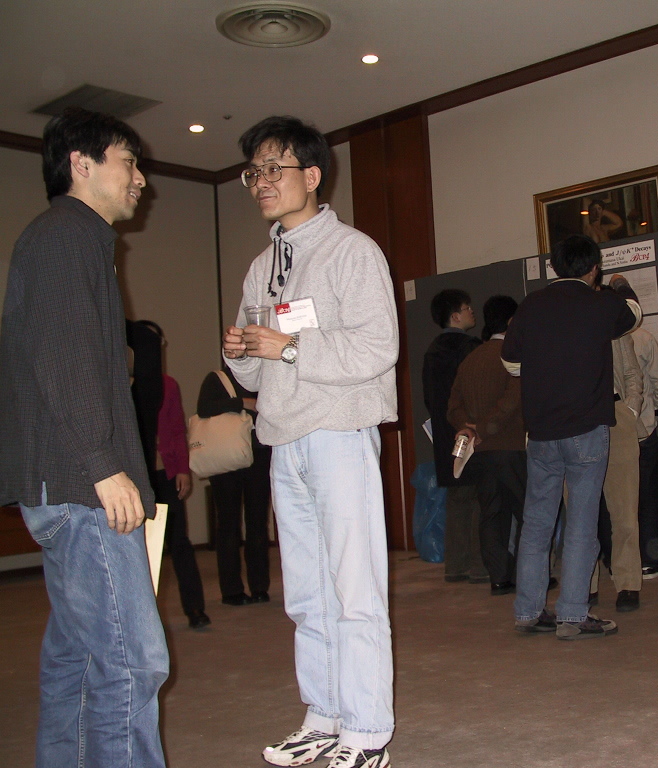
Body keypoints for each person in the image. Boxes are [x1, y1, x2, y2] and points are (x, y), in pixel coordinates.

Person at [222, 115, 398, 768]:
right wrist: (240, 352)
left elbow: (379, 347)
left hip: (339, 434)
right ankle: (323, 717)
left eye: (276, 168)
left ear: (313, 175)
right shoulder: (261, 266)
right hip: (283, 438)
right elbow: (252, 372)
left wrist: (290, 346)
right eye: (254, 172)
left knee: (355, 591)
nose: (261, 183)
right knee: (305, 594)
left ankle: (367, 734)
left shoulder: (353, 251)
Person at [0, 108, 169, 767]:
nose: (141, 179)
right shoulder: (67, 235)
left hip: (63, 484)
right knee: (132, 661)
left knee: (77, 656)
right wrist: (103, 464)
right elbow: (63, 357)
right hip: (80, 486)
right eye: (129, 162)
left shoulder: (66, 237)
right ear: (81, 164)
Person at [501, 234, 641, 639]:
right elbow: (634, 313)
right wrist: (619, 285)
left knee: (537, 522)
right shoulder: (600, 303)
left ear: (554, 266)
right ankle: (573, 615)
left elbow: (510, 363)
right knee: (582, 521)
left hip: (541, 433)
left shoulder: (531, 305)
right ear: (594, 268)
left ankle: (529, 610)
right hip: (586, 429)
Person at [130, 320, 209, 630]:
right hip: (133, 478)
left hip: (165, 474)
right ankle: (140, 619)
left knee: (179, 542)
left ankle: (195, 609)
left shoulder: (168, 385)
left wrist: (182, 469)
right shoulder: (119, 384)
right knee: (136, 548)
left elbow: (176, 429)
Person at [448, 295, 527, 595]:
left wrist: (467, 428)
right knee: (527, 513)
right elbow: (512, 400)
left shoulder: (471, 359)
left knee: (491, 513)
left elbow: (452, 406)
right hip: (510, 446)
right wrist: (483, 429)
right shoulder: (513, 356)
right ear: (511, 321)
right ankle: (528, 575)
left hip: (478, 452)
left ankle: (499, 577)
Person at [423, 288, 487, 584]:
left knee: (457, 497)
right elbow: (478, 391)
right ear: (455, 316)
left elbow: (429, 398)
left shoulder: (432, 351)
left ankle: (455, 565)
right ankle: (479, 566)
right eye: (467, 307)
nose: (472, 311)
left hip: (444, 433)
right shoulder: (471, 347)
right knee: (479, 497)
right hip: (471, 429)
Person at [197, 366, 272, 606]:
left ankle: (259, 587)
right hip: (226, 460)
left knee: (258, 524)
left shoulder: (263, 375)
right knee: (228, 525)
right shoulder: (217, 378)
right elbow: (203, 409)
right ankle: (231, 591)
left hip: (259, 456)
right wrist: (242, 403)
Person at [590, 330, 644, 612]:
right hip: (573, 420)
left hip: (615, 415)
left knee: (625, 511)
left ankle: (628, 584)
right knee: (580, 514)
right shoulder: (557, 326)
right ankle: (584, 584)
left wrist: (630, 410)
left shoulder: (613, 327)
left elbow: (632, 372)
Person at [630, 325, 658, 580]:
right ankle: (648, 561)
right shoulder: (643, 338)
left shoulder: (593, 333)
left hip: (609, 432)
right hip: (643, 429)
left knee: (613, 502)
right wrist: (655, 412)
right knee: (647, 499)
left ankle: (617, 562)